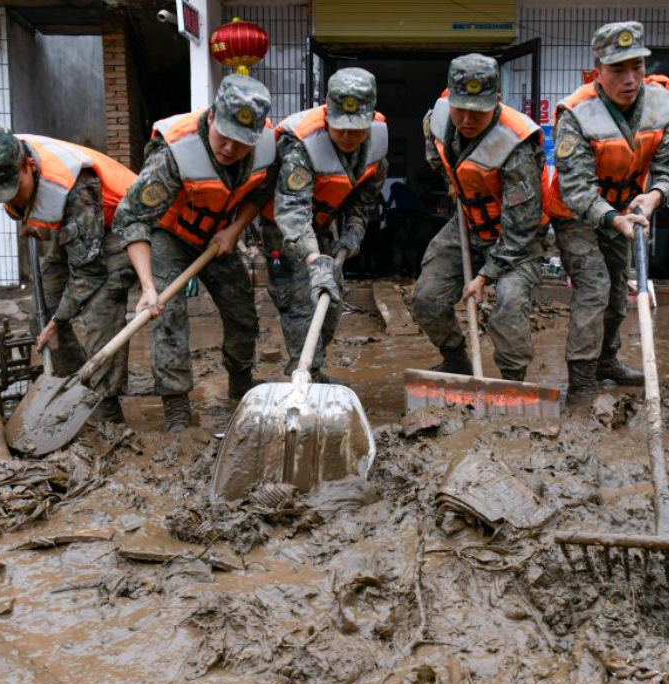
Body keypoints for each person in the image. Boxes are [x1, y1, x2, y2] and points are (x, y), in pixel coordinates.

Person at [113, 74, 276, 433]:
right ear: (213, 115)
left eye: (241, 142)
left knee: (242, 313)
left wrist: (234, 230)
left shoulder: (265, 147)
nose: (231, 149)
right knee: (168, 316)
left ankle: (240, 384)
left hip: (218, 236)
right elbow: (131, 220)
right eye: (225, 136)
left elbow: (260, 194)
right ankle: (176, 406)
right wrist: (148, 287)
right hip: (170, 235)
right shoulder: (175, 152)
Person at [547, 22, 669, 405]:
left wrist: (655, 196)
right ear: (598, 70)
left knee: (617, 295)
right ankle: (581, 384)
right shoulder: (576, 113)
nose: (629, 79)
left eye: (637, 67)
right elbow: (576, 189)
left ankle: (606, 361)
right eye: (617, 70)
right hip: (576, 214)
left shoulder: (663, 104)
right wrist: (612, 217)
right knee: (594, 289)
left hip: (628, 211)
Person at [0, 126, 145, 425]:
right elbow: (30, 203)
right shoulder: (6, 155)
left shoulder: (76, 187)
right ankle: (77, 384)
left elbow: (88, 272)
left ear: (30, 166)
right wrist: (29, 220)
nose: (10, 195)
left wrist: (59, 320)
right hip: (77, 229)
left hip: (120, 227)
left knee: (100, 309)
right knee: (41, 313)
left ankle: (106, 404)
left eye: (15, 186)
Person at [414, 53, 548, 382]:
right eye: (461, 109)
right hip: (470, 220)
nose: (468, 119)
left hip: (515, 238)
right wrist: (456, 181)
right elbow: (436, 152)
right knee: (427, 297)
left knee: (509, 302)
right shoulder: (440, 119)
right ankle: (456, 360)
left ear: (497, 101)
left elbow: (522, 230)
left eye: (479, 111)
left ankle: (511, 380)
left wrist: (484, 277)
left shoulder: (516, 147)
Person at [259, 67, 388, 384]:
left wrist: (354, 231)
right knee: (299, 297)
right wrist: (313, 259)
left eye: (355, 129)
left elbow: (363, 199)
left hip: (321, 224)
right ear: (327, 114)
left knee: (330, 298)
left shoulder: (375, 149)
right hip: (283, 227)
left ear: (370, 120)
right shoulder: (300, 146)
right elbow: (291, 210)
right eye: (339, 127)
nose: (346, 136)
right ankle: (303, 372)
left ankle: (313, 366)